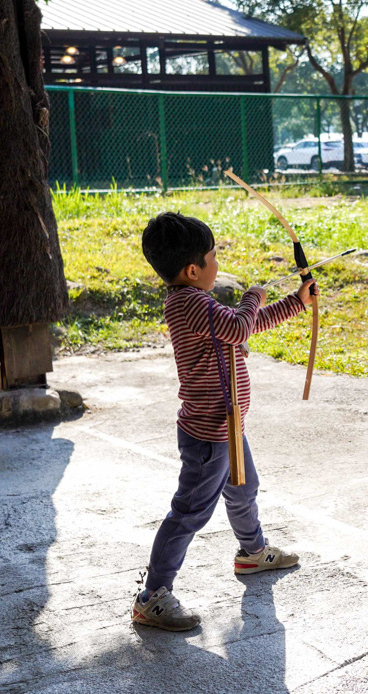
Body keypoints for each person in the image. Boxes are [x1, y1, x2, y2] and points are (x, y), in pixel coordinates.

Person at [133, 211, 316, 631]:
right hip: (209, 434)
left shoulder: (197, 303)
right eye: (214, 256)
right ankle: (152, 596)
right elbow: (239, 325)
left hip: (227, 426)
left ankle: (252, 553)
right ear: (193, 270)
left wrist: (295, 303)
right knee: (189, 513)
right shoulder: (189, 304)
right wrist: (254, 296)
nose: (219, 263)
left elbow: (240, 330)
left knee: (243, 488)